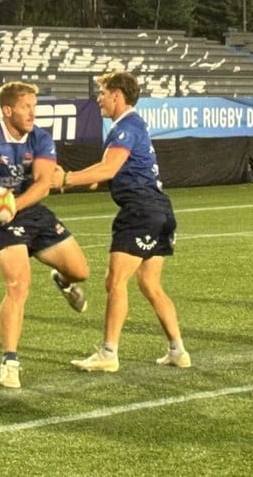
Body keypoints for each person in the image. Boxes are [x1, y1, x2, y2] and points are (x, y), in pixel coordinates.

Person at [0, 81, 90, 389]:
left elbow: (42, 182)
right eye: (26, 107)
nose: (32, 113)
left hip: (32, 210)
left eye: (34, 107)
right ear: (7, 109)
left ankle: (62, 280)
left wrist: (13, 204)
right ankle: (9, 361)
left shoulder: (40, 137)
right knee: (18, 285)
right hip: (1, 221)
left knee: (81, 271)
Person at [51, 71, 189, 373]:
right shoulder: (130, 126)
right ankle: (178, 350)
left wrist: (65, 178)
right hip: (159, 210)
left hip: (140, 211)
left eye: (102, 92)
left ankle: (109, 353)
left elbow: (110, 168)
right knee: (150, 284)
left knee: (115, 282)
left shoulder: (125, 126)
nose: (98, 98)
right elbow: (112, 170)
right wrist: (86, 179)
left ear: (117, 94)